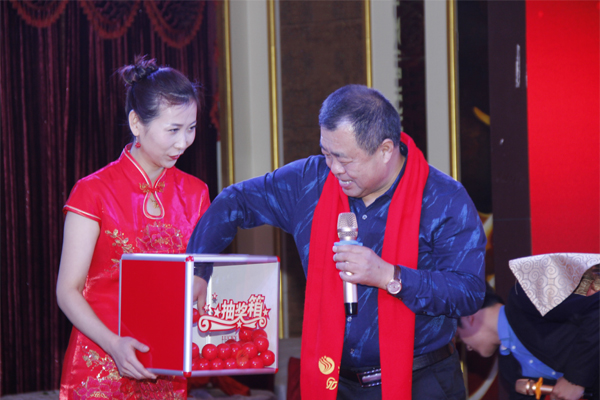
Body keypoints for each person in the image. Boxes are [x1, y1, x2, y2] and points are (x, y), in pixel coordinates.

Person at [188, 84, 486, 400]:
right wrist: (198, 268)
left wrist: (389, 275)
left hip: (421, 382)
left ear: (385, 150)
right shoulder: (311, 182)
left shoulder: (443, 199)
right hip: (335, 382)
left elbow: (468, 291)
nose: (334, 169)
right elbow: (235, 201)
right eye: (326, 154)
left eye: (344, 159)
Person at [56, 56, 210, 399]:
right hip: (100, 362)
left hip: (166, 369)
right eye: (173, 129)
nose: (184, 142)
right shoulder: (93, 191)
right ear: (136, 123)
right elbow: (67, 290)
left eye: (191, 128)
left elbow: (198, 279)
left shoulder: (196, 193)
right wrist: (113, 344)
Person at [457, 269, 599, 400]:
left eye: (459, 335)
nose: (468, 347)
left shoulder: (524, 296)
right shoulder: (509, 366)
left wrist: (574, 379)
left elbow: (596, 308)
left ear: (468, 317)